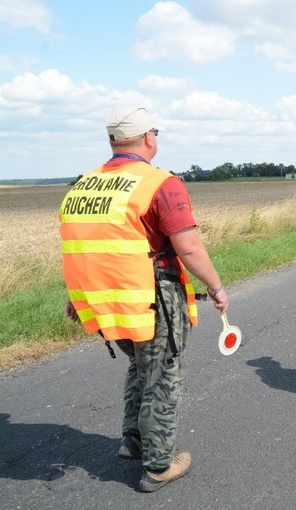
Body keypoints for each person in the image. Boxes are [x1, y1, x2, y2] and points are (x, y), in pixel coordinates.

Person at [59, 107, 229, 493]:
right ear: (149, 138)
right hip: (151, 300)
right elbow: (188, 246)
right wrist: (216, 288)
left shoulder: (84, 185)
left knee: (139, 368)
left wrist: (76, 298)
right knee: (163, 378)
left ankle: (132, 438)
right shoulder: (159, 183)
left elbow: (80, 249)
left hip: (107, 305)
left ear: (113, 142)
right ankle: (158, 465)